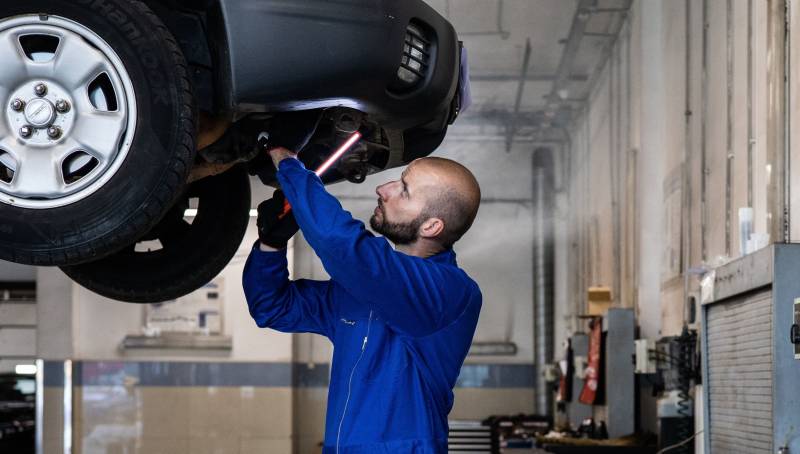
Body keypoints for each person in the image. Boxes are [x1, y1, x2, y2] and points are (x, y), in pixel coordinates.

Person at [242, 144, 482, 454]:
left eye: (404, 191)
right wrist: (271, 244)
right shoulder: (359, 293)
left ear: (432, 226)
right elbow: (272, 308)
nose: (383, 188)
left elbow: (344, 246)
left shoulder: (450, 292)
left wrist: (287, 162)